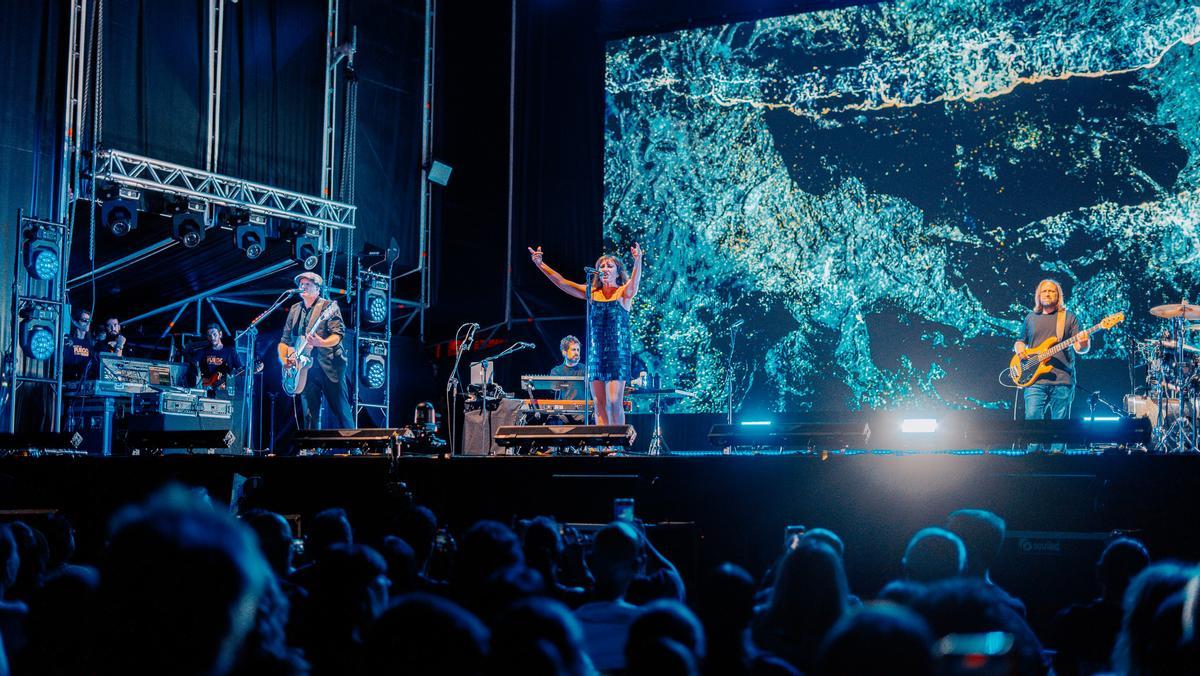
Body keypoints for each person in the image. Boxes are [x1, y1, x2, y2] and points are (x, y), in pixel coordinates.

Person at [529, 243, 643, 425]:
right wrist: (540, 264)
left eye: (609, 266)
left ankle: (617, 446)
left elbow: (635, 283)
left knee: (614, 402)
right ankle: (604, 446)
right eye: (601, 266)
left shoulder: (623, 292)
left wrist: (638, 261)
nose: (605, 269)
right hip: (596, 354)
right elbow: (562, 282)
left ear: (618, 272)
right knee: (599, 404)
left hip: (617, 354)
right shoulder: (591, 292)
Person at [277, 271, 354, 429]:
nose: (302, 286)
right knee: (309, 413)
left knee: (341, 409)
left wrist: (322, 342)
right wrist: (285, 359)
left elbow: (338, 335)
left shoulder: (328, 307)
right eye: (301, 284)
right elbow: (284, 340)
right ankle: (311, 449)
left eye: (307, 284)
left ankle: (355, 447)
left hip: (329, 365)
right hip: (304, 367)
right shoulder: (294, 309)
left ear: (318, 289)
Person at [1013, 279, 1090, 420]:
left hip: (1062, 380)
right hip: (1033, 380)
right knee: (1032, 422)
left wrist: (1084, 343)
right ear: (1038, 295)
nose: (1047, 294)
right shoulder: (1030, 318)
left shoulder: (1069, 317)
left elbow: (1079, 348)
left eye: (1051, 291)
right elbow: (1020, 341)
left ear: (1058, 295)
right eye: (1044, 291)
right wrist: (1020, 350)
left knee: (1060, 430)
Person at [194, 323, 243, 399]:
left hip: (223, 392)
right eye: (209, 336)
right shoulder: (203, 352)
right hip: (206, 391)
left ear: (220, 334)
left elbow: (240, 369)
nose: (212, 338)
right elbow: (194, 369)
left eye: (214, 334)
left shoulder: (230, 351)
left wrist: (253, 369)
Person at [64, 308, 96, 382]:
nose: (87, 323)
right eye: (84, 320)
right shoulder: (69, 340)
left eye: (89, 321)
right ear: (76, 322)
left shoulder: (90, 343)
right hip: (68, 379)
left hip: (83, 381)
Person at [550, 335, 585, 401]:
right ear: (564, 352)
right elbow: (555, 388)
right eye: (573, 350)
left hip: (585, 410)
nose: (577, 353)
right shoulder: (556, 371)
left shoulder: (586, 369)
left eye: (578, 350)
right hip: (564, 410)